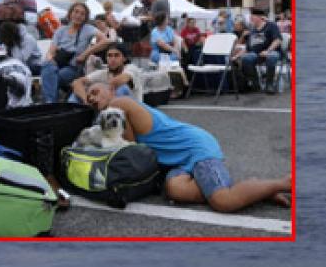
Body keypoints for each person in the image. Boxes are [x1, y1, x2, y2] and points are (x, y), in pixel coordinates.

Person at [85, 83, 291, 212]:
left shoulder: (119, 104)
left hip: (196, 147)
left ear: (110, 90)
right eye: (88, 98)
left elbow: (129, 148)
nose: (92, 98)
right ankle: (253, 191)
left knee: (223, 201)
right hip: (178, 160)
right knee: (175, 190)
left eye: (95, 92)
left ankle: (284, 183)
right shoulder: (113, 113)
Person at [41, 2, 103, 103]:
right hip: (57, 65)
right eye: (76, 12)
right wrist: (50, 61)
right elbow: (50, 52)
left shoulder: (87, 29)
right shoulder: (61, 30)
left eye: (82, 14)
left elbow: (106, 40)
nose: (78, 15)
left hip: (73, 68)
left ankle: (50, 103)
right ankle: (51, 103)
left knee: (51, 76)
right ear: (70, 13)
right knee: (48, 67)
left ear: (85, 17)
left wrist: (85, 53)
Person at [68, 43, 138, 104]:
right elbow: (76, 82)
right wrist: (86, 99)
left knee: (122, 88)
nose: (112, 59)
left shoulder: (131, 68)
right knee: (75, 96)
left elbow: (120, 80)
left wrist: (100, 91)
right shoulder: (104, 72)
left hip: (133, 110)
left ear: (124, 58)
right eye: (109, 56)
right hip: (107, 109)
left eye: (116, 55)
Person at [237, 8, 283, 94]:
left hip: (272, 52)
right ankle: (255, 84)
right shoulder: (252, 30)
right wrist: (237, 55)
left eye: (252, 17)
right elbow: (247, 48)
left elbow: (278, 40)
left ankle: (269, 84)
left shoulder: (271, 26)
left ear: (259, 17)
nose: (251, 19)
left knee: (271, 56)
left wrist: (268, 51)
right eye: (250, 18)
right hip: (257, 54)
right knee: (246, 58)